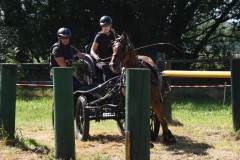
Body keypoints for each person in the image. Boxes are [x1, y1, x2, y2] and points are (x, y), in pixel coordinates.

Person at [50, 27, 85, 91]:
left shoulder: (70, 47)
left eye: (67, 38)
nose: (65, 40)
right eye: (63, 38)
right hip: (58, 73)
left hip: (66, 72)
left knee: (80, 86)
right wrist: (74, 59)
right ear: (59, 38)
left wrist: (91, 56)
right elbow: (64, 65)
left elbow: (81, 55)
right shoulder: (57, 49)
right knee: (70, 89)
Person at [90, 15, 118, 81]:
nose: (105, 27)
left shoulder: (115, 35)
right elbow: (92, 50)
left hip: (112, 60)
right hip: (101, 60)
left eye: (107, 25)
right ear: (101, 26)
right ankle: (108, 87)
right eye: (104, 26)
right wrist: (96, 57)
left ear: (110, 25)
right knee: (105, 68)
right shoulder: (99, 36)